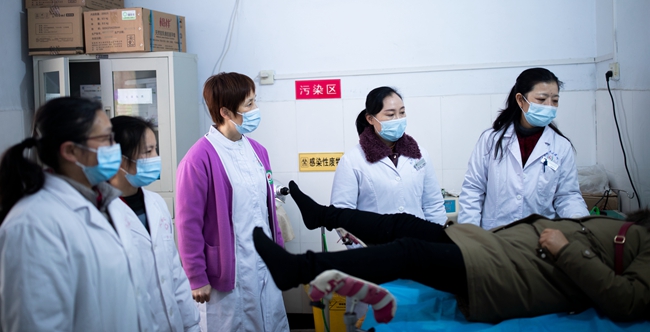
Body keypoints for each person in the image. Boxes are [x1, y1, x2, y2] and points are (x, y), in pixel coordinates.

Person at [253, 181, 650, 324]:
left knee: (409, 252)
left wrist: (566, 250)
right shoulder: (638, 230)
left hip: (514, 272)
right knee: (404, 224)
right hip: (498, 247)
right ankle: (321, 215)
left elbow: (628, 301)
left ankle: (299, 268)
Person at [0, 97, 151, 331]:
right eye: (106, 139)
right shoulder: (32, 224)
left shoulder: (106, 203)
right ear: (71, 151)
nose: (115, 147)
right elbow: (37, 322)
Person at [175, 72, 289, 332]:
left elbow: (267, 211)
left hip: (265, 263)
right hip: (229, 272)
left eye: (254, 101)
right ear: (225, 112)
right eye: (249, 104)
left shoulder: (258, 151)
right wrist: (196, 276)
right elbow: (187, 224)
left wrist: (281, 256)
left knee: (271, 323)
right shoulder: (198, 159)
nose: (256, 109)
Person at [459, 68, 589, 230]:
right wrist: (469, 235)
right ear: (520, 100)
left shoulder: (561, 146)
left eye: (555, 100)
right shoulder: (491, 140)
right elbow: (473, 190)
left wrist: (581, 226)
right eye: (541, 99)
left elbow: (567, 196)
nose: (549, 106)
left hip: (538, 236)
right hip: (496, 235)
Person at [108, 116, 200, 332]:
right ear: (119, 159)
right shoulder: (103, 214)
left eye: (155, 149)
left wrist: (192, 324)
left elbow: (175, 272)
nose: (155, 158)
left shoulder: (156, 203)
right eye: (147, 152)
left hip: (173, 323)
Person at [331, 86, 447, 226]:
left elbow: (433, 204)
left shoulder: (419, 155)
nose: (398, 119)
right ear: (370, 119)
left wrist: (439, 237)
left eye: (402, 112)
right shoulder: (352, 160)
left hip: (418, 238)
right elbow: (342, 213)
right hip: (374, 239)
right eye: (390, 115)